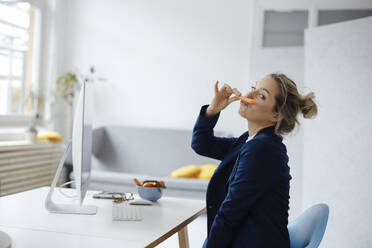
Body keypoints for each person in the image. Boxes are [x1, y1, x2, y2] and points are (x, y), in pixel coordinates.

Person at [192, 73, 318, 248]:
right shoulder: (251, 141)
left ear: (276, 115)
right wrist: (213, 109)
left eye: (261, 95)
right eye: (253, 88)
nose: (249, 95)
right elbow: (202, 144)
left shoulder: (263, 149)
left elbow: (231, 211)